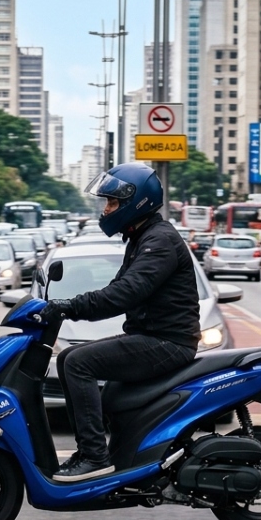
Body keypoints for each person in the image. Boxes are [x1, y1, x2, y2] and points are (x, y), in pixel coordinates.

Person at [41, 163, 200, 482]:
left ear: (135, 202)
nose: (106, 209)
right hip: (152, 337)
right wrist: (63, 304)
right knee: (72, 360)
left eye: (112, 203)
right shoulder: (143, 238)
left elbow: (125, 293)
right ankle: (116, 457)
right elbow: (117, 288)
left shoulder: (159, 241)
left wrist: (68, 306)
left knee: (76, 364)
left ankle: (94, 456)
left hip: (168, 342)